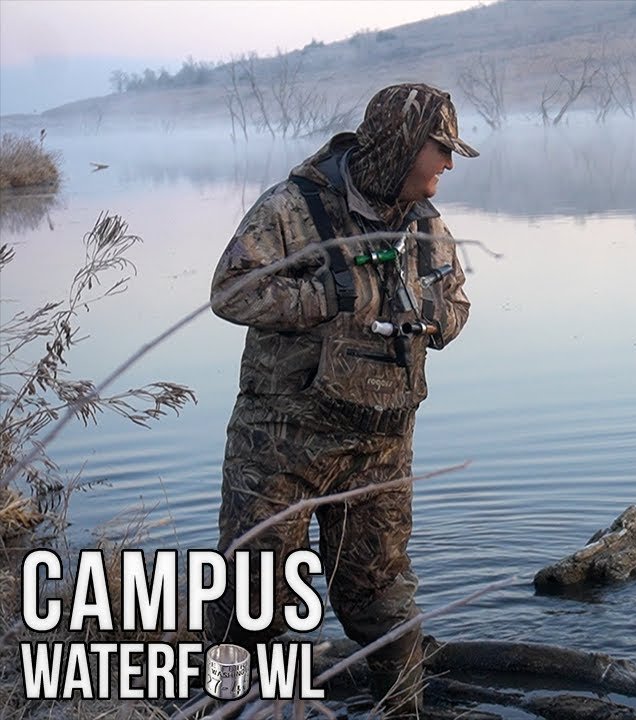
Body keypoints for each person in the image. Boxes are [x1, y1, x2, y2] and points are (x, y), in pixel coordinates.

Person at [206, 83, 476, 717]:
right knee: (251, 600)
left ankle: (401, 713)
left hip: (381, 445)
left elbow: (459, 305)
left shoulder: (427, 225)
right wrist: (328, 301)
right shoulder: (291, 209)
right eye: (440, 149)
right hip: (282, 442)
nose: (448, 165)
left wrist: (429, 318)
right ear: (402, 145)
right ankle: (219, 709)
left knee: (381, 596)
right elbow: (230, 291)